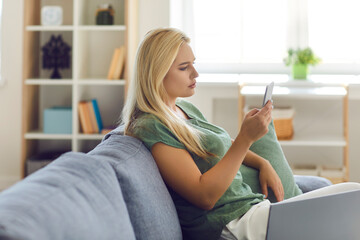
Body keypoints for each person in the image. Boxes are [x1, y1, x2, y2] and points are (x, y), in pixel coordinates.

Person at [121, 27, 360, 240]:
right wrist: (247, 138)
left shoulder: (183, 109)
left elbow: (226, 144)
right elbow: (204, 196)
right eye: (184, 68)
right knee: (352, 208)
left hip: (256, 211)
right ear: (156, 73)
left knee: (352, 193)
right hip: (236, 225)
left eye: (194, 64)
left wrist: (263, 162)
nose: (195, 74)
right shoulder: (152, 126)